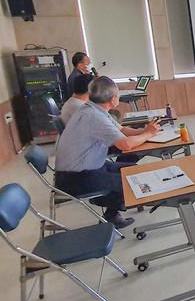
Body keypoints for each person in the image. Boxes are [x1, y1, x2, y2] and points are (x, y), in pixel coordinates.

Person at [55, 76, 161, 228]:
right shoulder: (93, 116)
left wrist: (145, 131)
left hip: (90, 167)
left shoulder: (93, 109)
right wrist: (148, 134)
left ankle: (111, 214)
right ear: (112, 99)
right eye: (117, 94)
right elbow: (125, 145)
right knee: (130, 183)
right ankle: (105, 204)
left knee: (134, 171)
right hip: (75, 178)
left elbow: (122, 130)